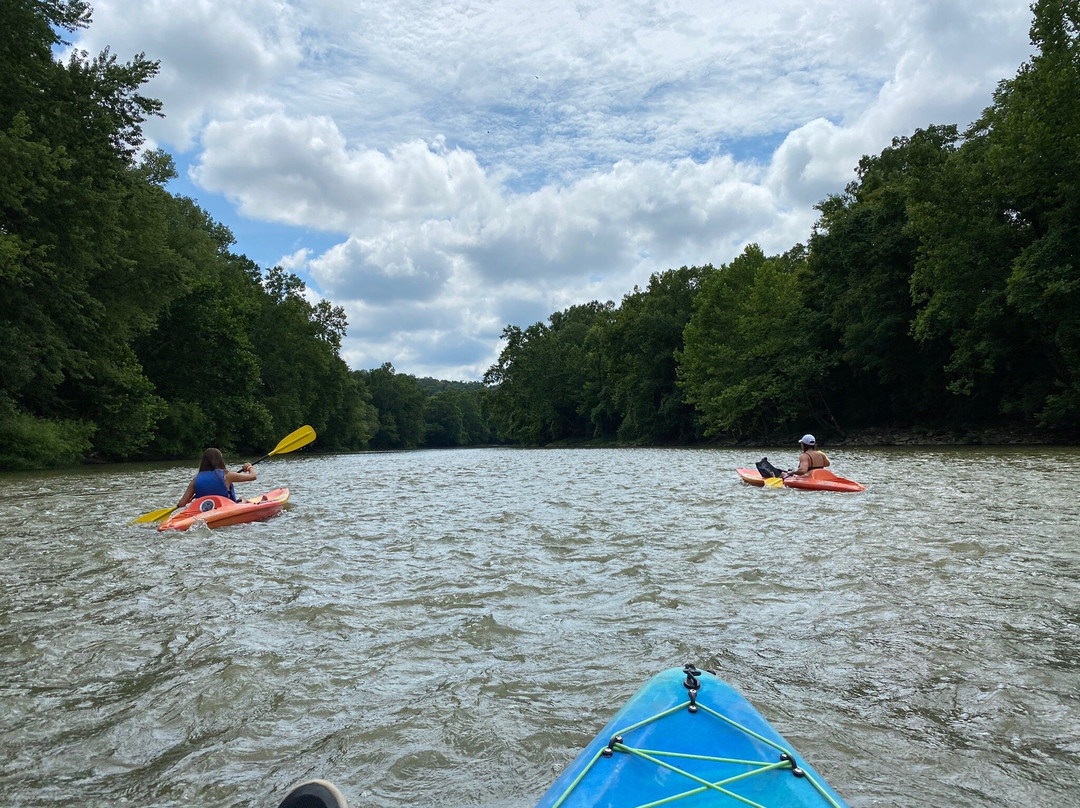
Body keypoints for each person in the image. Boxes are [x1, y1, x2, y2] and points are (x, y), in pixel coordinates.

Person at [177, 447, 256, 507]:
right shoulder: (227, 475)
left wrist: (188, 501)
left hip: (204, 511)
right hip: (226, 508)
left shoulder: (195, 480)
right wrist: (249, 467)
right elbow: (253, 476)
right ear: (220, 460)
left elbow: (181, 504)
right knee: (243, 499)